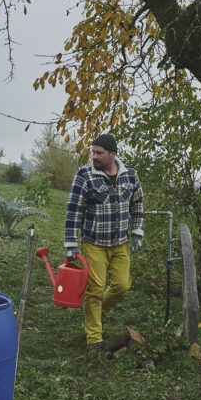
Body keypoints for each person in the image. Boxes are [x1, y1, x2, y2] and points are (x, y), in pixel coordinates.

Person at [64, 134, 144, 352]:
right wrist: (71, 243)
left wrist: (137, 232)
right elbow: (74, 210)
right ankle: (94, 338)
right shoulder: (84, 176)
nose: (95, 157)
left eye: (99, 153)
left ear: (112, 154)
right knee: (95, 290)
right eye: (93, 152)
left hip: (120, 243)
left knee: (121, 286)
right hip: (94, 243)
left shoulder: (130, 175)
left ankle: (98, 316)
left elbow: (137, 204)